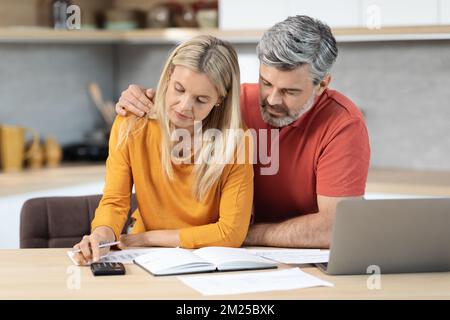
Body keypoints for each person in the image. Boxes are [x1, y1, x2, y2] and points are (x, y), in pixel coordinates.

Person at [115, 16, 370, 249]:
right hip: (216, 251)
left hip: (292, 253)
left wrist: (240, 233)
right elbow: (183, 102)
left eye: (290, 92)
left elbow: (336, 228)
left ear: (322, 84)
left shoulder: (342, 125)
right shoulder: (231, 106)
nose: (272, 99)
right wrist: (140, 99)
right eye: (266, 83)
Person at [73, 35, 254, 265]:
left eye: (201, 99)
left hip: (205, 258)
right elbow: (114, 202)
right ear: (169, 76)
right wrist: (101, 236)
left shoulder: (236, 140)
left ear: (219, 99)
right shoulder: (132, 123)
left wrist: (148, 238)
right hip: (145, 258)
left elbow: (231, 233)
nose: (184, 106)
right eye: (179, 89)